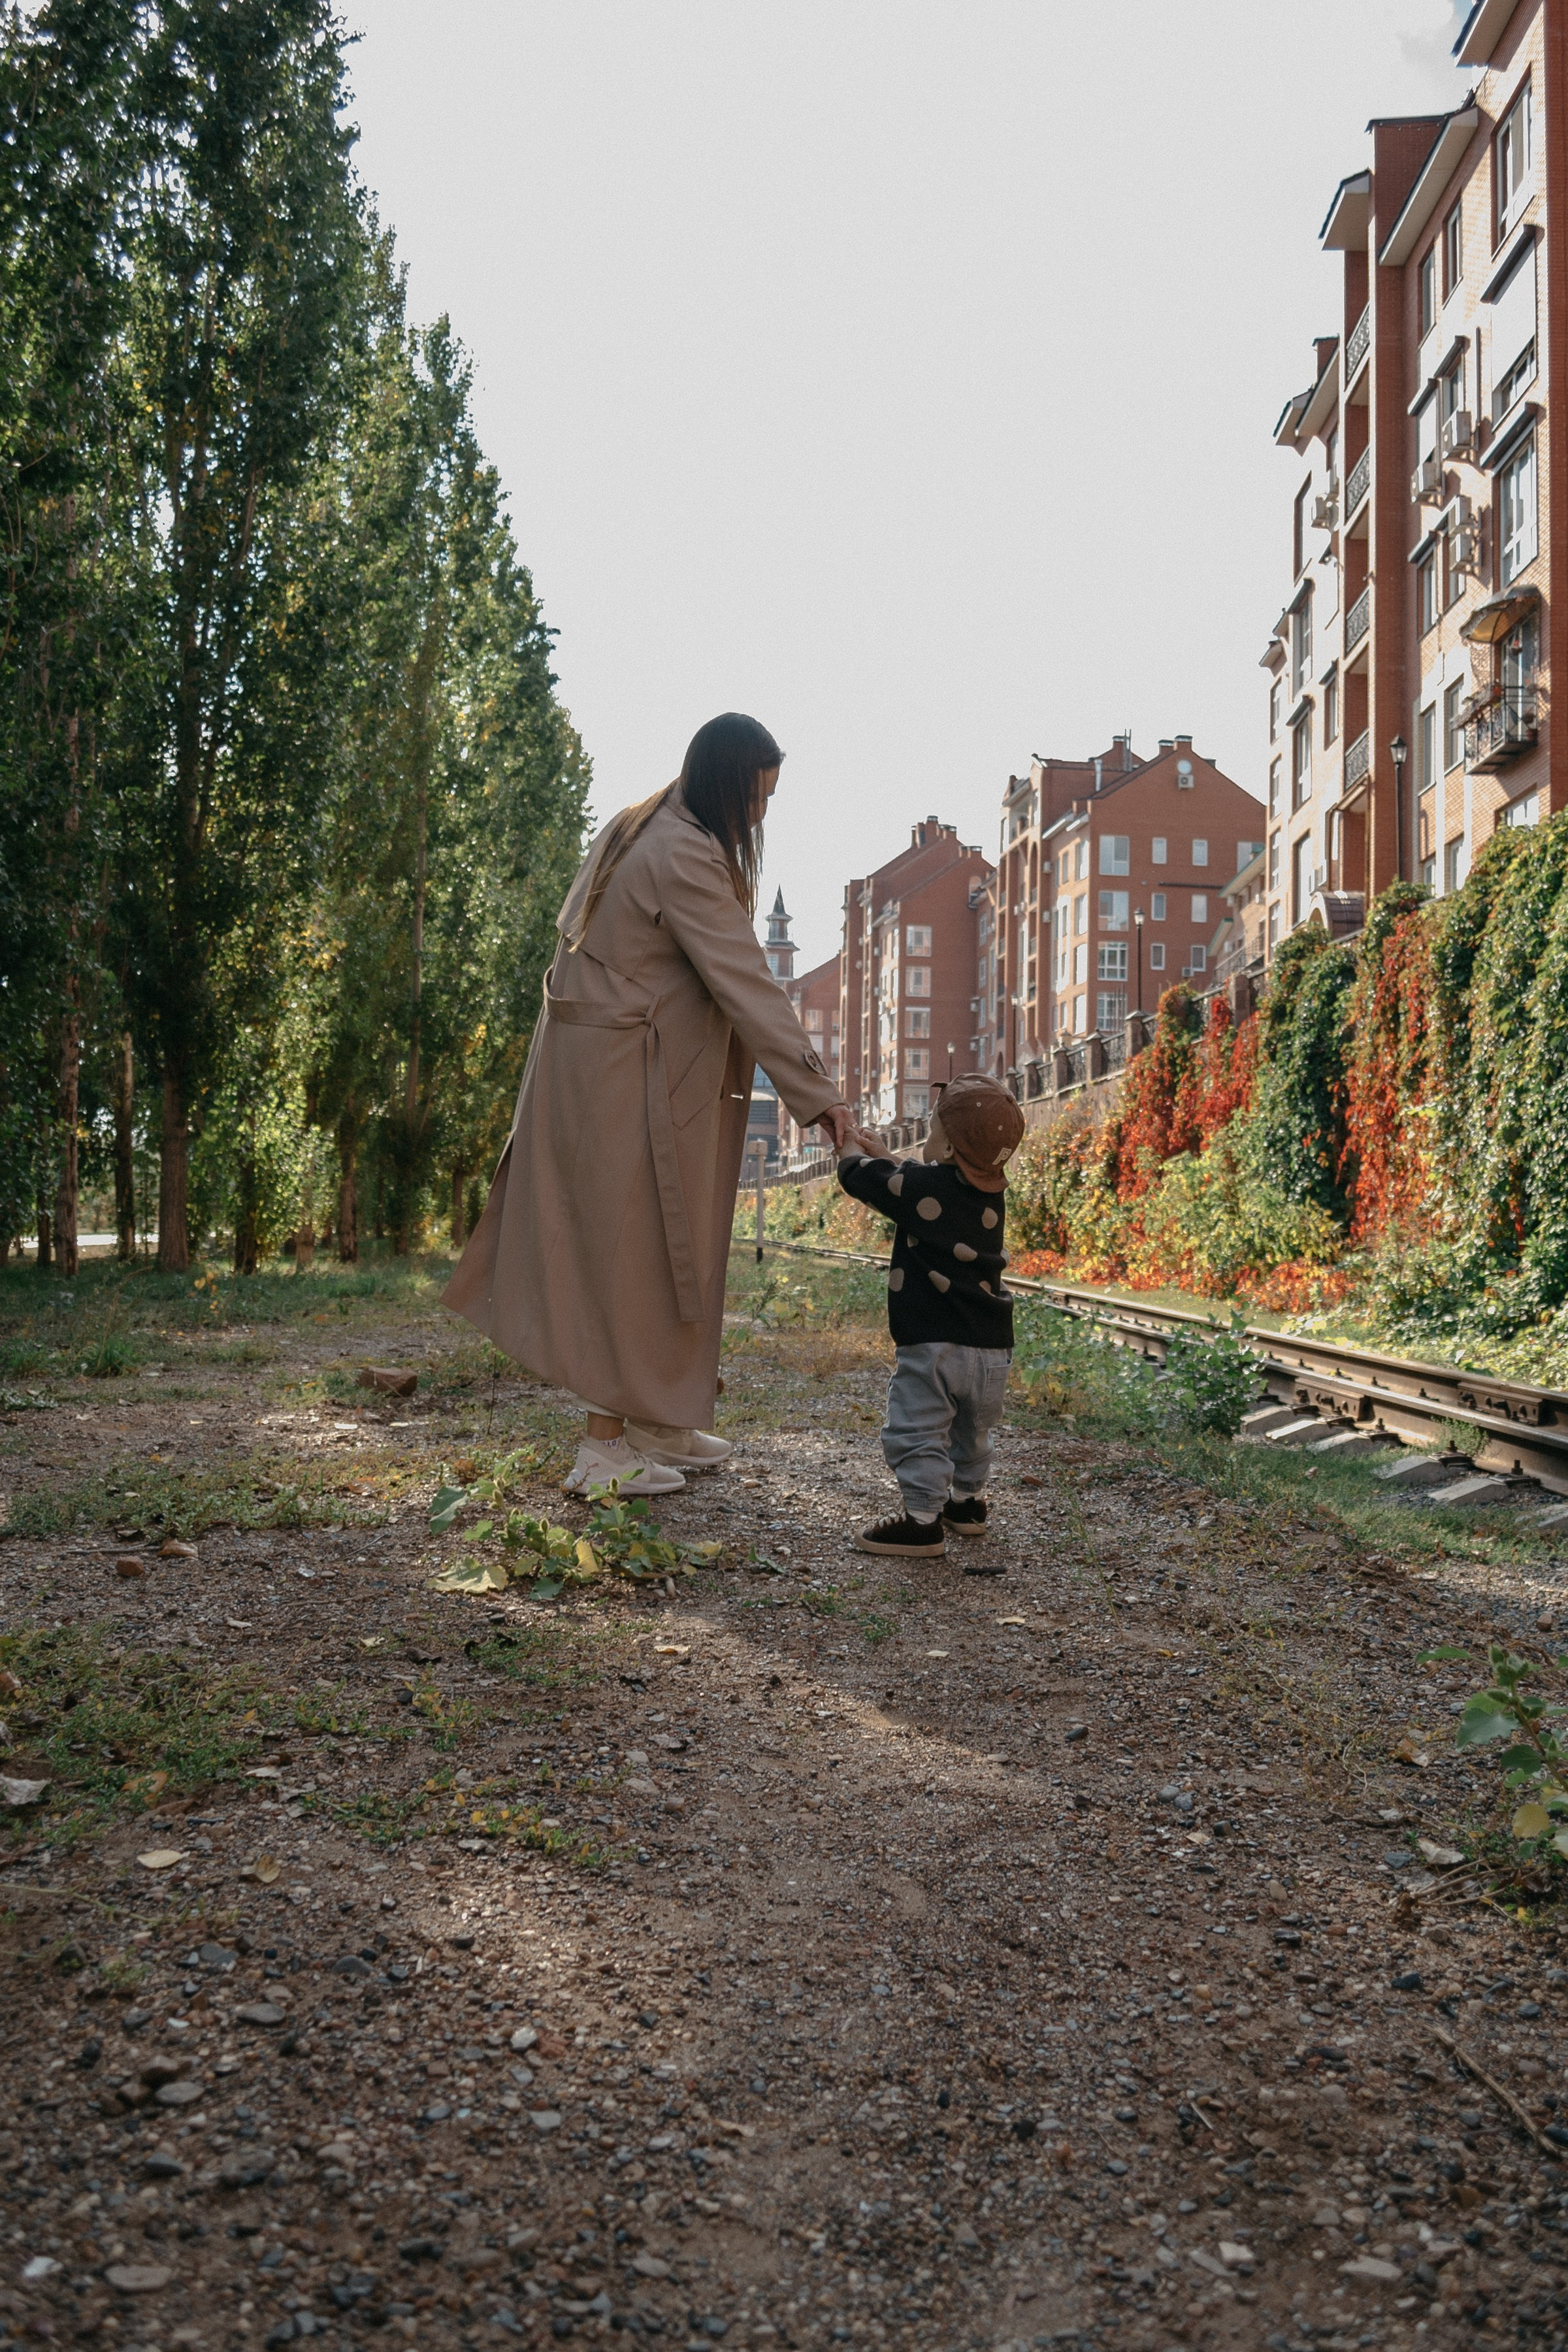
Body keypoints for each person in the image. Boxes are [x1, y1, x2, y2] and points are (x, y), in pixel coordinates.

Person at [443, 713, 853, 1496]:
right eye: (757, 799)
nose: (762, 815)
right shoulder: (683, 855)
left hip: (604, 1063)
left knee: (666, 1245)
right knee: (629, 1249)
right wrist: (822, 1099)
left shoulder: (642, 822)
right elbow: (748, 981)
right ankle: (602, 1453)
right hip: (622, 1074)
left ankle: (656, 1419)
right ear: (727, 789)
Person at [836, 1074, 1026, 1563]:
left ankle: (921, 1522)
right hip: (990, 1346)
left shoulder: (924, 1186)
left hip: (934, 1343)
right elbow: (929, 1192)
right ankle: (966, 1504)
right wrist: (891, 1158)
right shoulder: (987, 1194)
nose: (926, 1131)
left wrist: (852, 1153)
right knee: (971, 1433)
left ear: (946, 1146)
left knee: (918, 1429)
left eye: (933, 1126)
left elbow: (866, 1181)